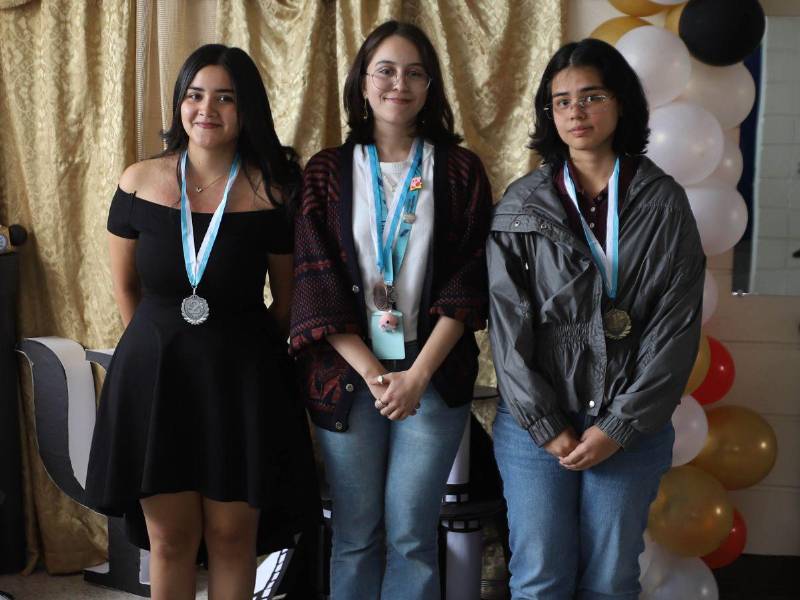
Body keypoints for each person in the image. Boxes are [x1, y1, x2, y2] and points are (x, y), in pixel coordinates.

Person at [84, 44, 319, 600]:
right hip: (157, 380)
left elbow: (285, 304)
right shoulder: (139, 180)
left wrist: (237, 350)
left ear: (247, 110)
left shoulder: (272, 192)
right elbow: (126, 288)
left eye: (224, 98)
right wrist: (159, 347)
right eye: (194, 95)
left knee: (233, 536)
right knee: (169, 539)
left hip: (241, 384)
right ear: (179, 104)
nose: (206, 108)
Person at [487, 38, 705, 599]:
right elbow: (507, 331)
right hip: (537, 428)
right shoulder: (520, 205)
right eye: (560, 102)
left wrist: (619, 425)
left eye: (591, 96)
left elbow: (674, 328)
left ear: (621, 103)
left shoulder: (663, 202)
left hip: (627, 425)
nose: (575, 112)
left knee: (610, 581)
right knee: (540, 579)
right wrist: (544, 424)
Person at [290, 20, 492, 600]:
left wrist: (417, 376)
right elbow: (315, 280)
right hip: (348, 376)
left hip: (430, 371)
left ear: (430, 87)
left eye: (414, 72)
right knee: (354, 532)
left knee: (410, 534)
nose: (398, 83)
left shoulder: (459, 170)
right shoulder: (326, 171)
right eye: (385, 69)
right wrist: (376, 375)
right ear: (362, 83)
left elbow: (469, 278)